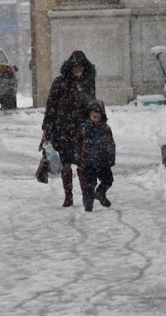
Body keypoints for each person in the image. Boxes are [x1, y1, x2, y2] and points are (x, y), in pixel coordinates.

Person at [42, 50, 96, 207]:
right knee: (66, 164)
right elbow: (51, 106)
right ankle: (68, 195)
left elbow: (91, 105)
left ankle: (86, 195)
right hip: (63, 129)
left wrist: (95, 123)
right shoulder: (60, 82)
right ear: (70, 67)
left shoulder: (88, 82)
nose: (78, 71)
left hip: (82, 130)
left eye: (81, 68)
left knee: (82, 164)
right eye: (76, 67)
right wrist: (46, 128)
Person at [75, 99, 116, 212]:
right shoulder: (83, 128)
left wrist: (111, 158)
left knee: (108, 180)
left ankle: (100, 193)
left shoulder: (105, 128)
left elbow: (111, 144)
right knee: (89, 184)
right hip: (87, 161)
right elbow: (77, 143)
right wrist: (78, 157)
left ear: (102, 114)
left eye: (98, 112)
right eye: (93, 112)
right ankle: (88, 205)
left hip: (103, 161)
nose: (95, 114)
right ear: (89, 114)